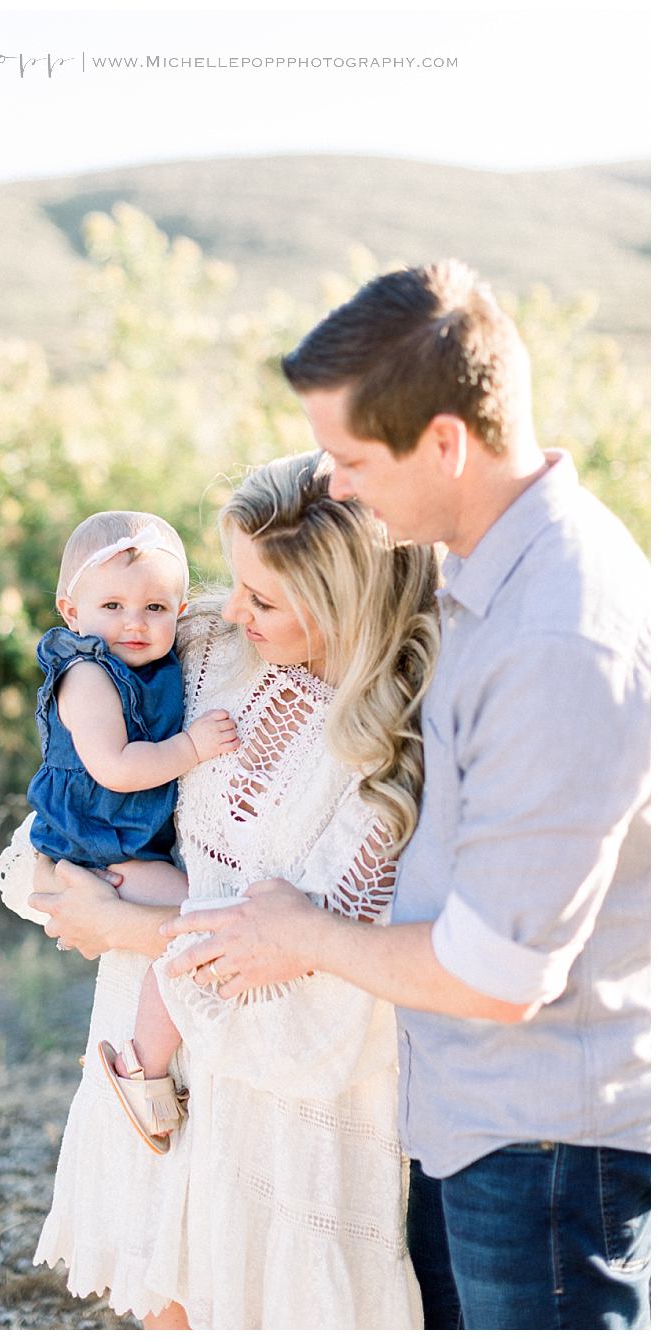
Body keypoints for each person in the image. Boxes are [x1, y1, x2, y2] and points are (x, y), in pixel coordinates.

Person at [160, 261, 651, 1330]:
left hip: (544, 1144)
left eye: (349, 457)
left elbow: (501, 971)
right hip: (470, 1117)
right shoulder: (486, 578)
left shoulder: (559, 632)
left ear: (444, 442)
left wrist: (303, 931)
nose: (334, 485)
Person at [13, 452, 439, 1328]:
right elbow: (80, 781)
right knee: (164, 1295)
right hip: (154, 1061)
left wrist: (122, 923)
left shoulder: (392, 747)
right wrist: (71, 883)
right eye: (234, 581)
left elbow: (323, 969)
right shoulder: (207, 645)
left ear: (344, 602)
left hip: (284, 1102)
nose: (227, 609)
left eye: (264, 599)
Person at [0, 509, 239, 1149]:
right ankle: (142, 1067)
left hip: (126, 836)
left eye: (156, 606)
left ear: (181, 610)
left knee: (193, 922)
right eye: (113, 604)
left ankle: (153, 1059)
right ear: (70, 610)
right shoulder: (87, 675)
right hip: (99, 840)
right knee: (194, 923)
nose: (136, 621)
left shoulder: (156, 662)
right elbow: (116, 767)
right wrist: (192, 747)